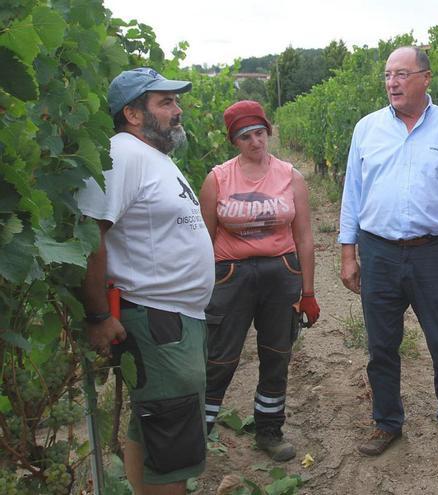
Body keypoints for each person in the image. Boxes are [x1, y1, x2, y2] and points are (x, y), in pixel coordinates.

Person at [77, 68, 214, 495]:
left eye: (176, 101)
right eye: (166, 102)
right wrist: (98, 315)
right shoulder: (121, 155)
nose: (178, 110)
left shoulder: (152, 157)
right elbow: (90, 235)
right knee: (172, 443)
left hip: (175, 319)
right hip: (158, 320)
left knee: (153, 423)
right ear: (133, 114)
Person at [338, 46, 438, 456]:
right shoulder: (367, 129)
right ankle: (386, 423)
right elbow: (353, 193)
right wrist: (348, 252)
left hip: (434, 252)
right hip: (378, 251)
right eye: (387, 75)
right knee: (381, 345)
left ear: (425, 78)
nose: (392, 83)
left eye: (401, 74)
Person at [198, 100, 320, 462]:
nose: (255, 142)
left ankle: (269, 429)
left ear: (268, 132)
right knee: (220, 358)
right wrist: (200, 290)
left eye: (259, 133)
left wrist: (308, 292)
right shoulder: (218, 179)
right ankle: (196, 435)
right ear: (234, 141)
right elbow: (203, 241)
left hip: (280, 274)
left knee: (277, 355)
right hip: (230, 275)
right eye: (245, 136)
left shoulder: (290, 177)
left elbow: (304, 238)